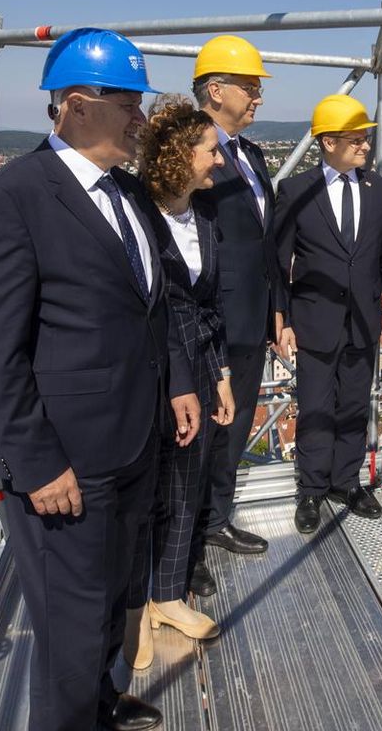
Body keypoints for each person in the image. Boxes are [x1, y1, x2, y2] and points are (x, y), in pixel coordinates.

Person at [0, 28, 199, 731]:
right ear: (74, 105)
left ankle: (100, 703)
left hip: (133, 443)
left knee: (112, 598)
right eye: (128, 103)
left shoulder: (129, 194)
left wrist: (179, 381)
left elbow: (156, 303)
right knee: (70, 624)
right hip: (64, 460)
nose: (141, 118)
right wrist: (37, 462)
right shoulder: (13, 197)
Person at [124, 98, 237, 667]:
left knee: (185, 489)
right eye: (210, 151)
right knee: (141, 494)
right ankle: (133, 609)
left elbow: (209, 303)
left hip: (199, 364)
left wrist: (221, 374)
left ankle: (166, 595)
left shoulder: (205, 214)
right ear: (178, 155)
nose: (219, 161)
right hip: (148, 373)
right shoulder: (137, 212)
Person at [273, 95, 382, 533]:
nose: (366, 145)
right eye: (356, 139)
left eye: (365, 138)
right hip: (315, 321)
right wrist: (282, 318)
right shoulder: (296, 190)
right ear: (328, 142)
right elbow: (279, 262)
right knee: (315, 406)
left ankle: (345, 482)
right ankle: (311, 489)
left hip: (364, 319)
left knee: (353, 404)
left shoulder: (378, 188)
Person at [189, 35, 274, 593]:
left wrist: (276, 311)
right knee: (197, 440)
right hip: (210, 324)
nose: (258, 97)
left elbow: (264, 242)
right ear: (216, 90)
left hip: (250, 321)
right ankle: (186, 546)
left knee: (235, 428)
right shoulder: (190, 153)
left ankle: (216, 520)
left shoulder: (252, 155)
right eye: (251, 87)